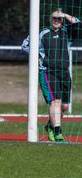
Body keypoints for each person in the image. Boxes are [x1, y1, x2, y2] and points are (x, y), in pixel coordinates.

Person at [21, 9, 81, 142]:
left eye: (59, 18)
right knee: (55, 101)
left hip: (64, 72)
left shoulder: (66, 32)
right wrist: (40, 58)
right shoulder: (42, 33)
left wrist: (64, 14)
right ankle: (58, 134)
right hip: (48, 72)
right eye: (54, 17)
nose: (57, 20)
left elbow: (77, 23)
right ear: (50, 18)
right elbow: (24, 46)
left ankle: (50, 126)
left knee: (64, 106)